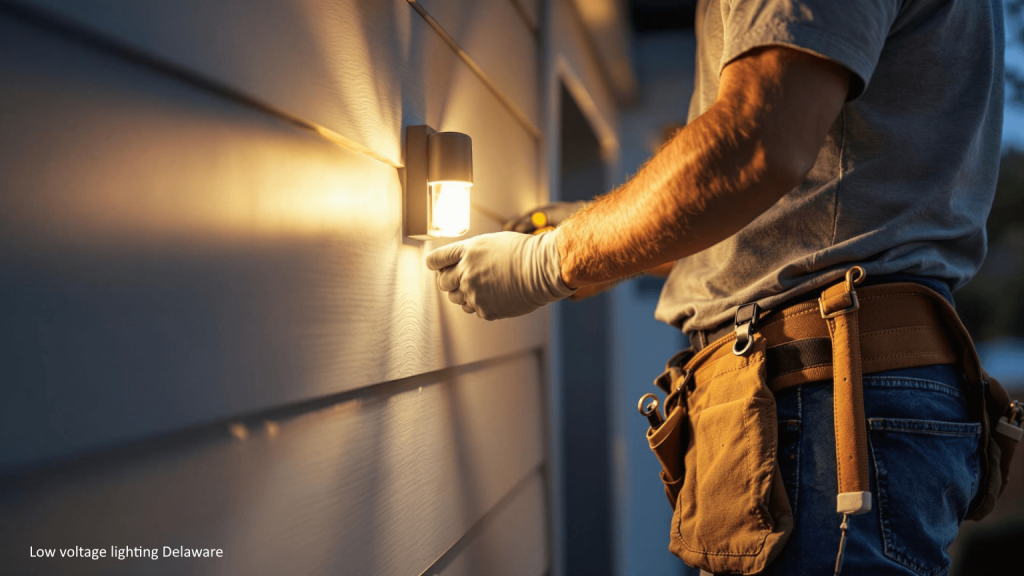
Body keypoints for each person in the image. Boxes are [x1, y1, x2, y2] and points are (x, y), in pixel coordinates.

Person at [426, 1, 1005, 574]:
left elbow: (757, 139)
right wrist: (593, 226)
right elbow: (789, 222)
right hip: (824, 392)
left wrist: (550, 261)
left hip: (825, 402)